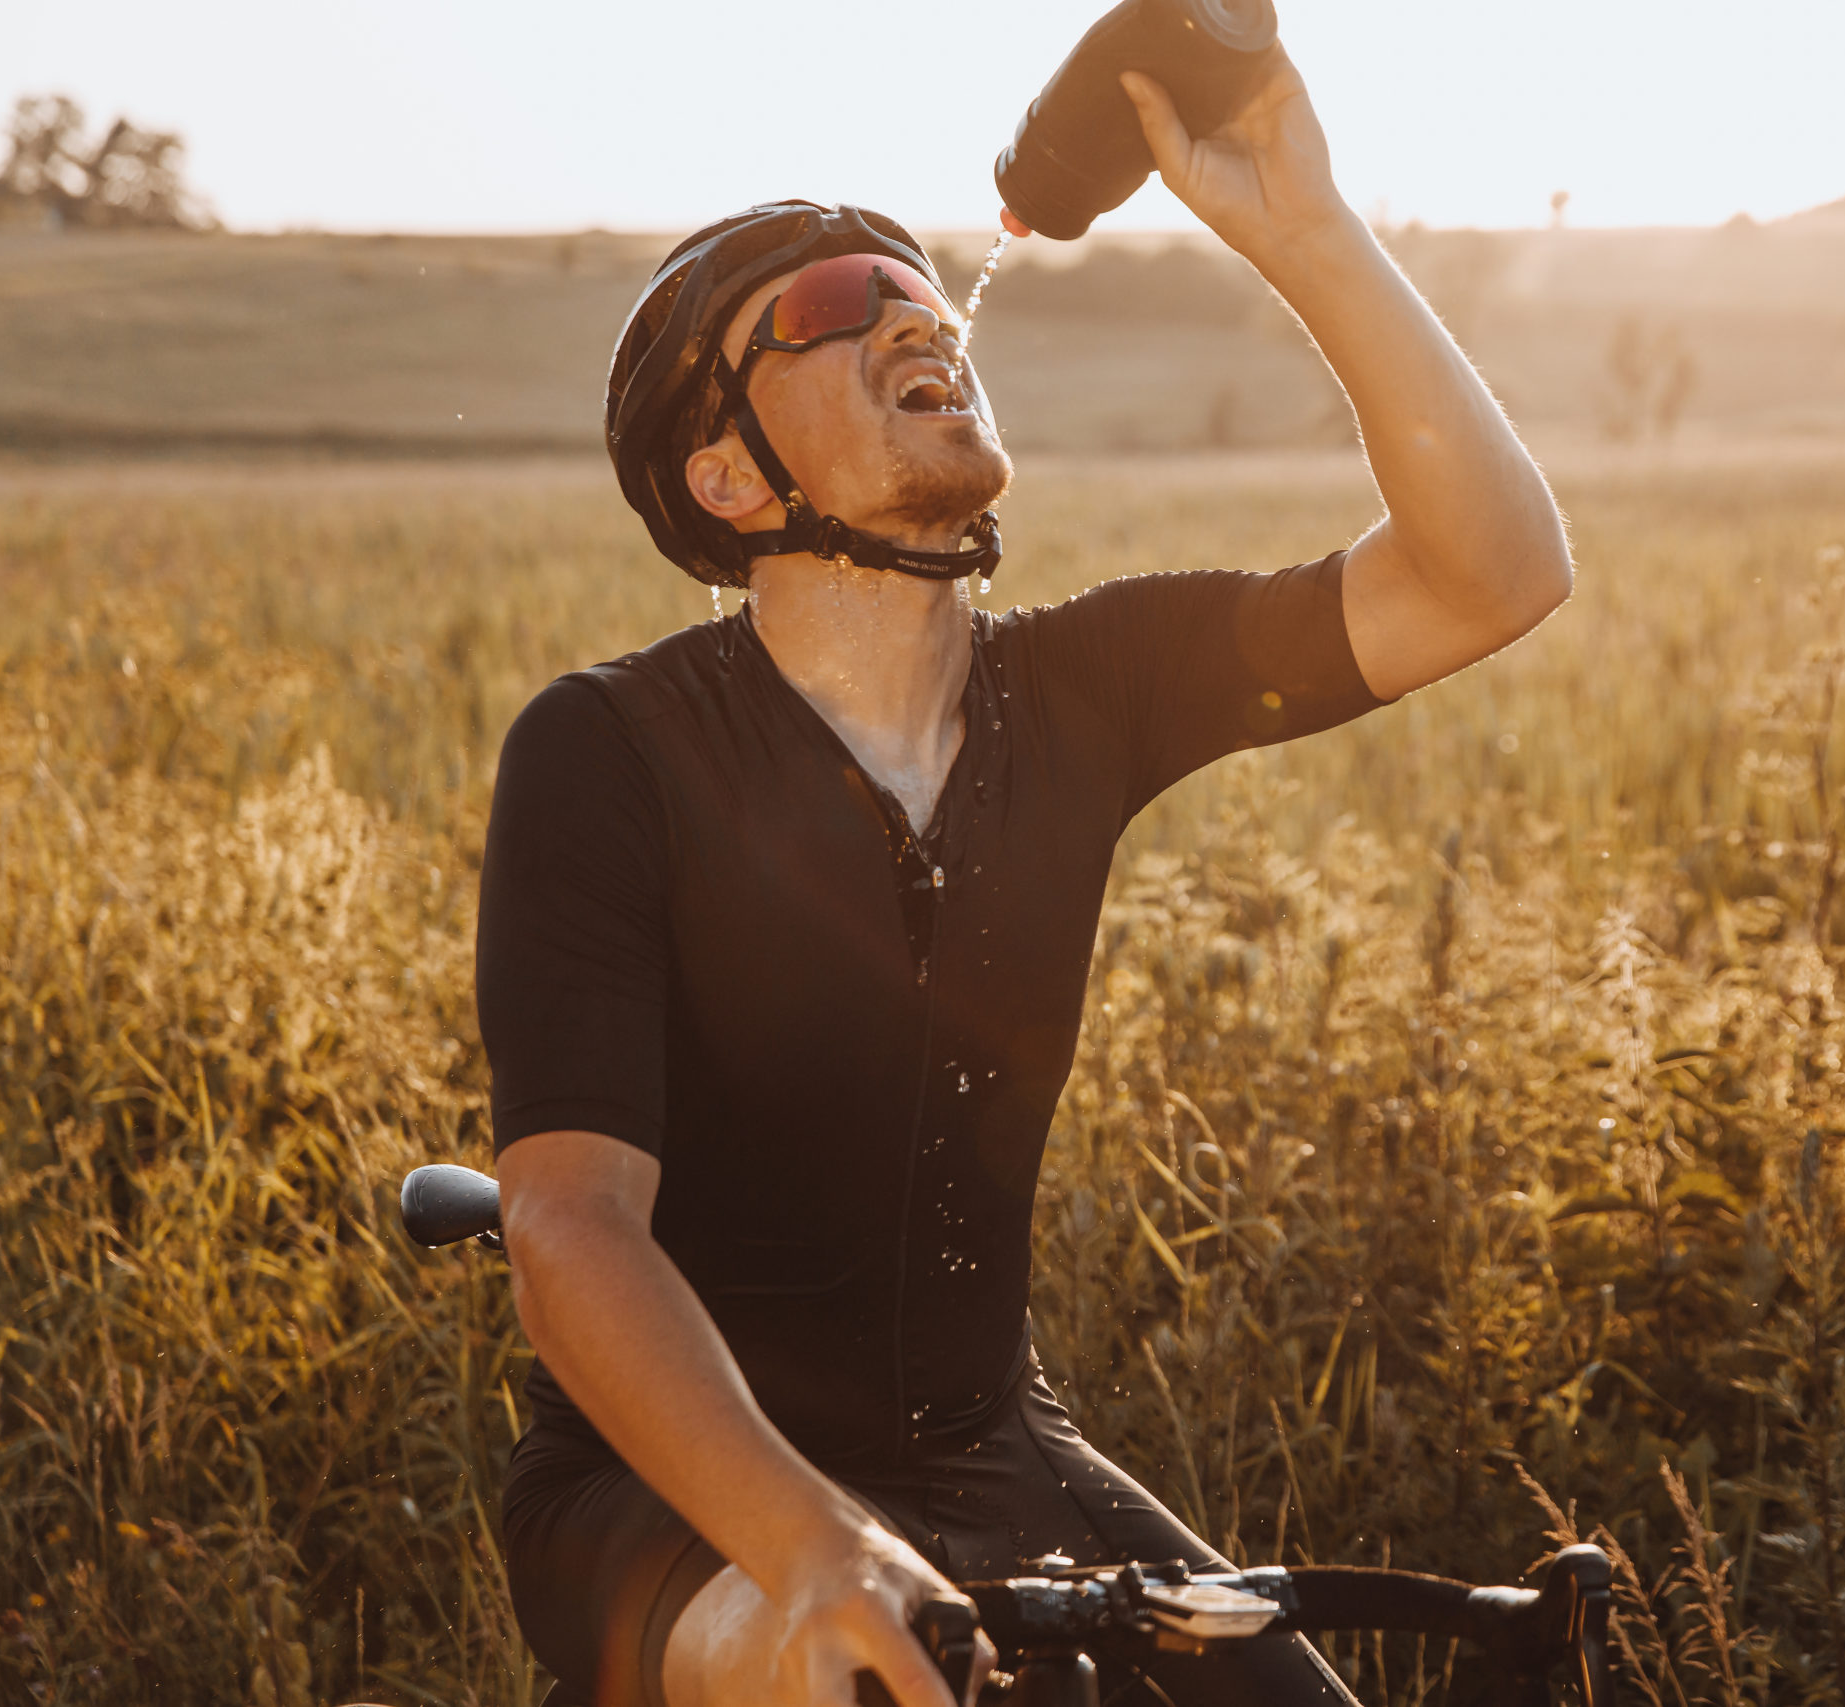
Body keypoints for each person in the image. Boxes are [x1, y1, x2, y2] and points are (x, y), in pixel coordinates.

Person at [477, 51, 1572, 1707]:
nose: (917, 316)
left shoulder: (1087, 688)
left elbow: (1493, 575)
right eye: (843, 302)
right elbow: (569, 1229)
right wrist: (820, 1550)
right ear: (726, 476)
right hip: (677, 1502)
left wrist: (1311, 231)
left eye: (925, 292)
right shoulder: (610, 752)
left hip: (994, 1452)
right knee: (849, 1682)